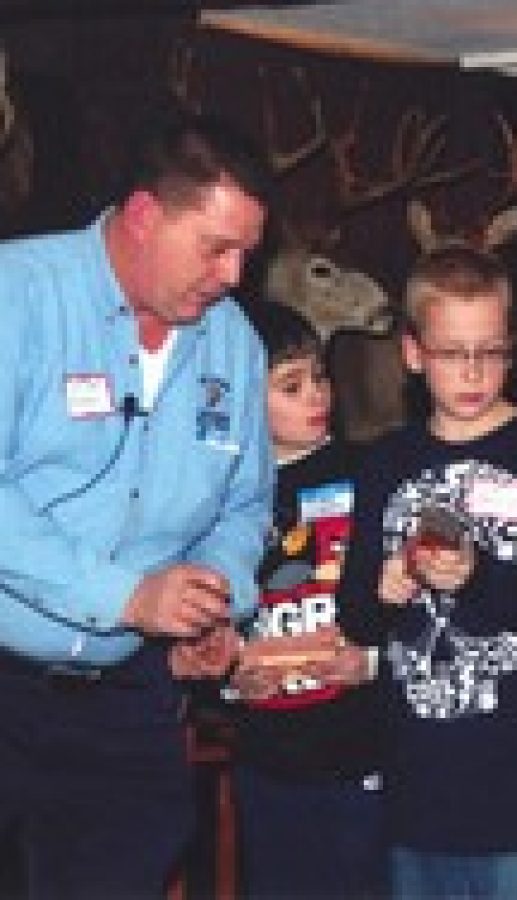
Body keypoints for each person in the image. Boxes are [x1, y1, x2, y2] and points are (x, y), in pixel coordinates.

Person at [0, 112, 274, 898]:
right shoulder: (18, 296)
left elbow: (245, 505)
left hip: (124, 710)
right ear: (146, 216)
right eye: (216, 248)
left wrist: (208, 600)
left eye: (246, 255)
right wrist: (125, 596)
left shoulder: (235, 345)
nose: (233, 276)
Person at [336, 245, 517, 899]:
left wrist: (479, 579)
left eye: (492, 351)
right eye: (453, 352)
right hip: (420, 791)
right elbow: (356, 617)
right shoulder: (385, 464)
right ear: (412, 352)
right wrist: (385, 590)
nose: (474, 372)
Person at [228, 299, 387, 899]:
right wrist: (227, 680)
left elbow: (406, 611)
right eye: (290, 386)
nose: (317, 396)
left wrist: (372, 662)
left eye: (320, 377)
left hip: (358, 742)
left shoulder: (370, 472)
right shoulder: (224, 494)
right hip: (268, 753)